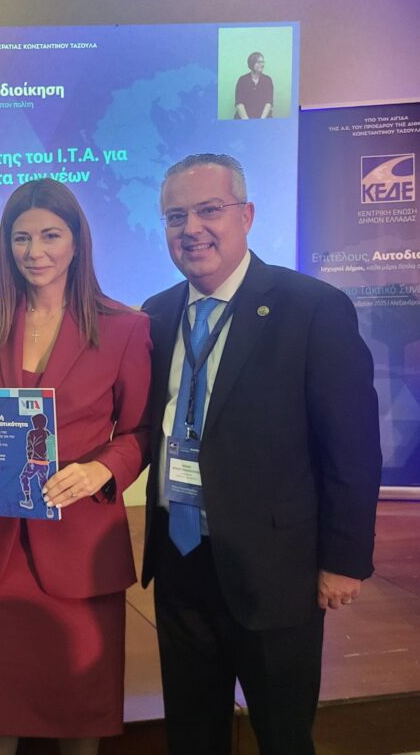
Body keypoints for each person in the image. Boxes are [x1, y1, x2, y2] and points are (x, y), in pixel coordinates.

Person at [141, 154, 381, 755]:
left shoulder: (312, 308)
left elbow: (352, 446)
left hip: (276, 571)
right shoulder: (156, 313)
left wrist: (344, 560)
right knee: (192, 736)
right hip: (180, 559)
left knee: (283, 735)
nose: (192, 228)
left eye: (209, 210)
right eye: (176, 216)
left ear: (246, 216)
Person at [0, 178, 152, 755]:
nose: (34, 251)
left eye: (50, 235)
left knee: (79, 707)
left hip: (79, 543)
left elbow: (139, 431)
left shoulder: (125, 327)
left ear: (76, 241)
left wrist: (101, 471)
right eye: (21, 238)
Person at [234, 51, 273, 119]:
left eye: (263, 62)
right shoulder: (242, 80)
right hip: (244, 119)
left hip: (263, 119)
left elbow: (269, 102)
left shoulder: (267, 80)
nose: (262, 64)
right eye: (259, 62)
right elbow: (239, 103)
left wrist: (261, 121)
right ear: (252, 63)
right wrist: (248, 122)